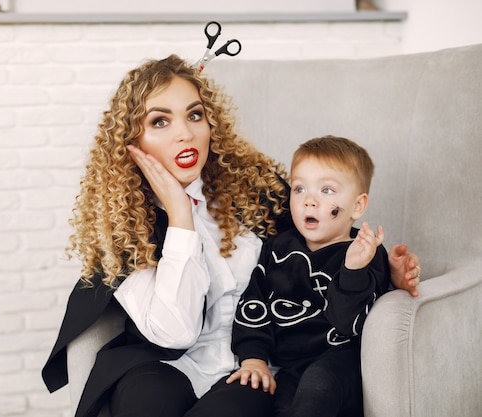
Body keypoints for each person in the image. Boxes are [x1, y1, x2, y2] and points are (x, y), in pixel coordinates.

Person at [41, 55, 420, 417]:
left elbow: (325, 243)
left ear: (211, 124)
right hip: (163, 361)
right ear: (133, 140)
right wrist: (179, 214)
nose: (185, 134)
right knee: (147, 407)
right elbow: (176, 333)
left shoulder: (258, 191)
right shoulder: (122, 228)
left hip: (254, 363)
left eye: (194, 115)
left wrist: (384, 274)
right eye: (160, 121)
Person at [194, 135, 390, 417]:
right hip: (290, 367)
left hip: (341, 362)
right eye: (299, 189)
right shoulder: (278, 248)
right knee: (283, 406)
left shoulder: (366, 252)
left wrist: (353, 270)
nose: (309, 201)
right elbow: (254, 304)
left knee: (318, 387)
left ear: (357, 206)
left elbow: (353, 323)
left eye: (326, 190)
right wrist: (254, 358)